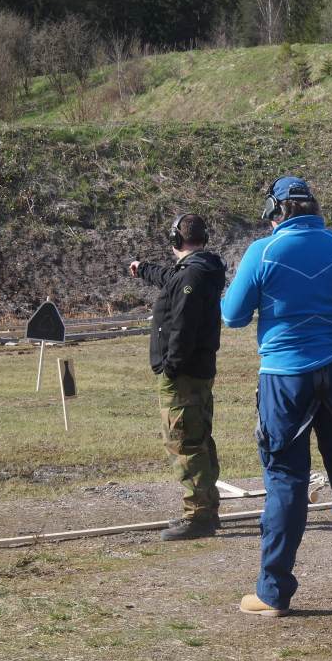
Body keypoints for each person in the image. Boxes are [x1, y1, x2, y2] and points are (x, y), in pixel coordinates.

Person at [221, 176, 332, 617]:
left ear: (275, 212)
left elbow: (233, 315)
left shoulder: (263, 252)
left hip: (283, 380)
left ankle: (273, 593)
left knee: (285, 482)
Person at [129, 214, 227, 540]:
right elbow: (169, 278)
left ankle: (198, 515)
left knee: (184, 442)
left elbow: (182, 327)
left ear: (175, 240)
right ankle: (207, 508)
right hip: (195, 370)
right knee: (198, 438)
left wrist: (171, 367)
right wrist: (143, 268)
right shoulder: (197, 271)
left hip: (183, 374)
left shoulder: (192, 276)